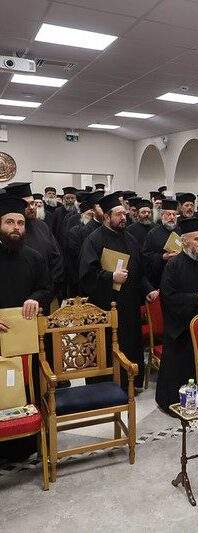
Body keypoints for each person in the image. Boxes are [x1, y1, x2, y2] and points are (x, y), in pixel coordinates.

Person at [79, 192, 158, 390]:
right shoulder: (93, 240)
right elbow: (87, 275)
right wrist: (111, 277)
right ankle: (106, 387)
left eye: (124, 214)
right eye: (119, 214)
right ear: (107, 216)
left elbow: (139, 272)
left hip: (129, 306)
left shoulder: (131, 239)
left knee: (130, 344)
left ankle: (130, 384)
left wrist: (147, 289)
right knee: (107, 346)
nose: (124, 217)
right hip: (104, 306)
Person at [0, 195, 53, 461]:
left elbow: (47, 288)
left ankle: (28, 441)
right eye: (10, 222)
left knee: (27, 386)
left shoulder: (34, 257)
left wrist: (36, 299)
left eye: (20, 223)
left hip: (25, 340)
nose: (16, 228)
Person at [155, 217, 198, 411]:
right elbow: (168, 296)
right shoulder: (174, 265)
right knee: (179, 370)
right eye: (196, 239)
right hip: (181, 329)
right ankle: (173, 404)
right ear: (184, 242)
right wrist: (194, 299)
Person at [2, 182, 64, 302]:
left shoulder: (42, 226)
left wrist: (49, 291)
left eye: (33, 203)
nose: (31, 207)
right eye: (26, 204)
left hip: (42, 297)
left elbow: (56, 258)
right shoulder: (8, 234)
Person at [66, 191, 104, 296]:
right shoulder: (76, 232)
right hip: (84, 278)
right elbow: (75, 259)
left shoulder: (108, 229)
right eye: (89, 214)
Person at [142, 198, 181, 288]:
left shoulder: (181, 232)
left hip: (178, 277)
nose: (172, 217)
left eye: (174, 214)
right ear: (162, 215)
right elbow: (146, 256)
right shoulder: (153, 233)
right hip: (159, 278)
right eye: (169, 214)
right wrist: (163, 257)